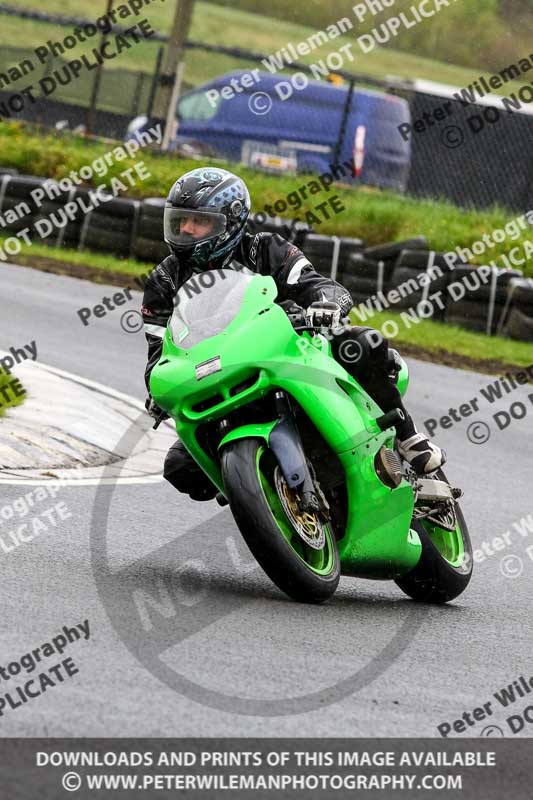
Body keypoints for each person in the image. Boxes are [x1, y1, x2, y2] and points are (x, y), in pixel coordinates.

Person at [142, 167, 444, 501]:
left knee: (361, 343)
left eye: (198, 221)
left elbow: (320, 286)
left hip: (292, 349)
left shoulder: (263, 249)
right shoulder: (163, 281)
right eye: (180, 220)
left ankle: (406, 435)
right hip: (219, 374)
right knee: (180, 466)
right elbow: (159, 354)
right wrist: (157, 391)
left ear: (229, 221)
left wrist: (327, 304)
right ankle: (253, 487)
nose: (186, 229)